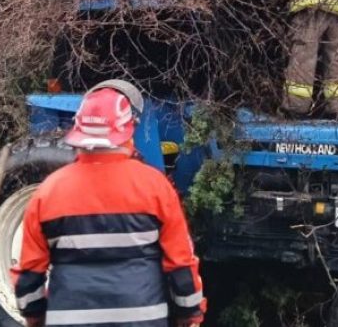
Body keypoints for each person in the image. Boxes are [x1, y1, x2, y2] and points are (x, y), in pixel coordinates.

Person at [15, 83, 205, 327]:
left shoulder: (48, 193)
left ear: (78, 131)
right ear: (128, 130)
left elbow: (29, 276)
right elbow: (181, 264)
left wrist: (36, 319)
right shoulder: (155, 188)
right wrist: (189, 316)